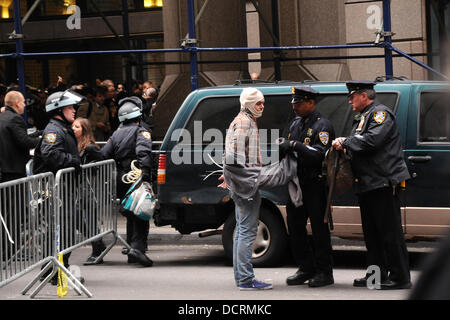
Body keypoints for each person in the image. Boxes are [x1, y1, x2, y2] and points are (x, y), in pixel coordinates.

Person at [332, 81, 411, 290]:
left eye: (352, 96)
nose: (350, 100)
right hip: (368, 183)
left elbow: (371, 141)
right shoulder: (363, 117)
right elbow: (360, 143)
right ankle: (376, 276)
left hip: (383, 182)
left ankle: (400, 278)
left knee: (390, 233)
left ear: (363, 96)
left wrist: (345, 141)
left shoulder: (380, 114)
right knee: (373, 235)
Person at [279, 86, 335, 288]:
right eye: (294, 103)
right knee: (294, 227)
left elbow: (319, 154)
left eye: (299, 103)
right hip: (297, 183)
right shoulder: (295, 123)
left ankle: (324, 272)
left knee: (319, 230)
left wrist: (295, 146)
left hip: (315, 184)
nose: (295, 107)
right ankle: (306, 267)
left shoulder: (322, 125)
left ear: (311, 103)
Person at [218, 87, 272, 291]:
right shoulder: (244, 122)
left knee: (242, 231)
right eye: (258, 103)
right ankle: (246, 280)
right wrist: (245, 179)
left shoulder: (243, 120)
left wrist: (230, 176)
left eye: (263, 103)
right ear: (248, 103)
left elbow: (230, 158)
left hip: (242, 185)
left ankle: (243, 278)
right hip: (246, 187)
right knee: (246, 232)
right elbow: (232, 158)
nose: (262, 107)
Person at [33, 89, 85, 284]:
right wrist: (73, 161)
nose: (74, 110)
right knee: (60, 231)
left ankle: (56, 269)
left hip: (64, 189)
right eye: (70, 107)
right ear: (58, 109)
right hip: (56, 190)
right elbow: (51, 154)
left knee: (66, 230)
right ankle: (53, 271)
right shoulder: (54, 130)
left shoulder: (62, 128)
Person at [101, 96, 153, 267]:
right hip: (136, 177)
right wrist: (145, 172)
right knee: (141, 214)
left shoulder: (116, 134)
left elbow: (104, 154)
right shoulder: (140, 132)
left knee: (131, 214)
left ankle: (132, 250)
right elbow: (143, 151)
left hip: (120, 178)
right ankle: (138, 249)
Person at [72, 117, 107, 265]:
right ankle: (98, 244)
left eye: (77, 127)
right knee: (77, 219)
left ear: (84, 130)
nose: (74, 129)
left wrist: (92, 169)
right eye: (73, 126)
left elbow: (103, 161)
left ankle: (97, 251)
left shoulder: (90, 147)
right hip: (78, 189)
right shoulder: (74, 145)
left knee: (91, 221)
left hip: (89, 189)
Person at [0, 90, 40, 182]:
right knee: (18, 196)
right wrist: (42, 140)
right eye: (23, 102)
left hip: (4, 170)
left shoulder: (2, 117)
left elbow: (16, 136)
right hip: (14, 171)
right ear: (17, 104)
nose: (25, 105)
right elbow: (25, 141)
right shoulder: (15, 118)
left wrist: (38, 133)